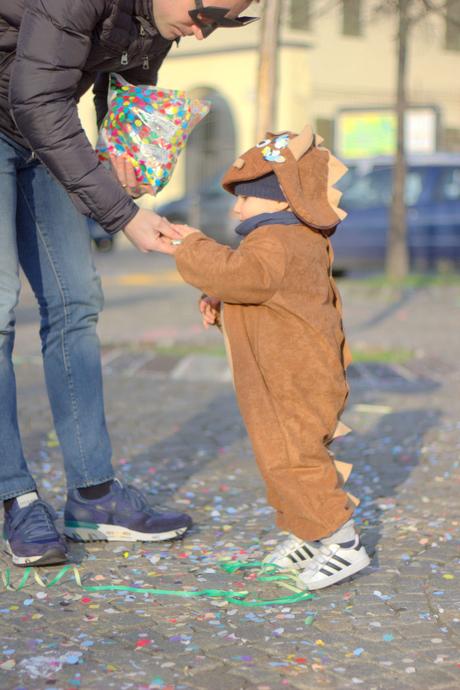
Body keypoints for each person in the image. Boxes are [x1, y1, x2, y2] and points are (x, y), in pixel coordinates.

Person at [0, 0, 259, 567]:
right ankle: (15, 496)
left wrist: (124, 153)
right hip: (25, 110)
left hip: (44, 125)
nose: (202, 31)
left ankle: (92, 496)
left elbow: (121, 85)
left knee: (76, 301)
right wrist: (121, 215)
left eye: (223, 22)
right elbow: (36, 96)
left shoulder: (160, 20)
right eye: (205, 13)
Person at [165, 126, 371, 590]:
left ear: (280, 199)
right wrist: (221, 300)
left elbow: (243, 276)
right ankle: (308, 531)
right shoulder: (287, 239)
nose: (236, 207)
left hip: (295, 377)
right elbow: (264, 296)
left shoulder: (277, 242)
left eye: (247, 197)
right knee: (277, 456)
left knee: (295, 458)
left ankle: (342, 542)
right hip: (280, 374)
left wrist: (191, 245)